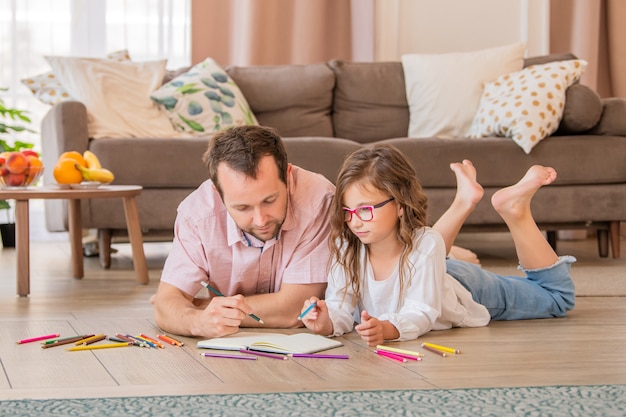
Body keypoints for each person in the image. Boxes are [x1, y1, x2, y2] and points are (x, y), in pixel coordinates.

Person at [300, 144, 576, 346]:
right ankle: (464, 200)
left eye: (364, 210)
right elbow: (341, 307)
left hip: (463, 289)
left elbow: (422, 313)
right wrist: (327, 321)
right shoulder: (347, 246)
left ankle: (515, 210)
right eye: (347, 212)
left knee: (556, 297)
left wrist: (387, 329)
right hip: (431, 269)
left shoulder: (425, 244)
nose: (355, 222)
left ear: (400, 204)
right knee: (426, 246)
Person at [152, 125, 334, 338]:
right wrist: (198, 321)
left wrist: (198, 306)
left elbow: (295, 310)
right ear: (218, 193)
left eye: (269, 200)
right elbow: (165, 305)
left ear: (288, 176)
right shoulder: (197, 214)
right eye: (242, 207)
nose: (260, 219)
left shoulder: (319, 200)